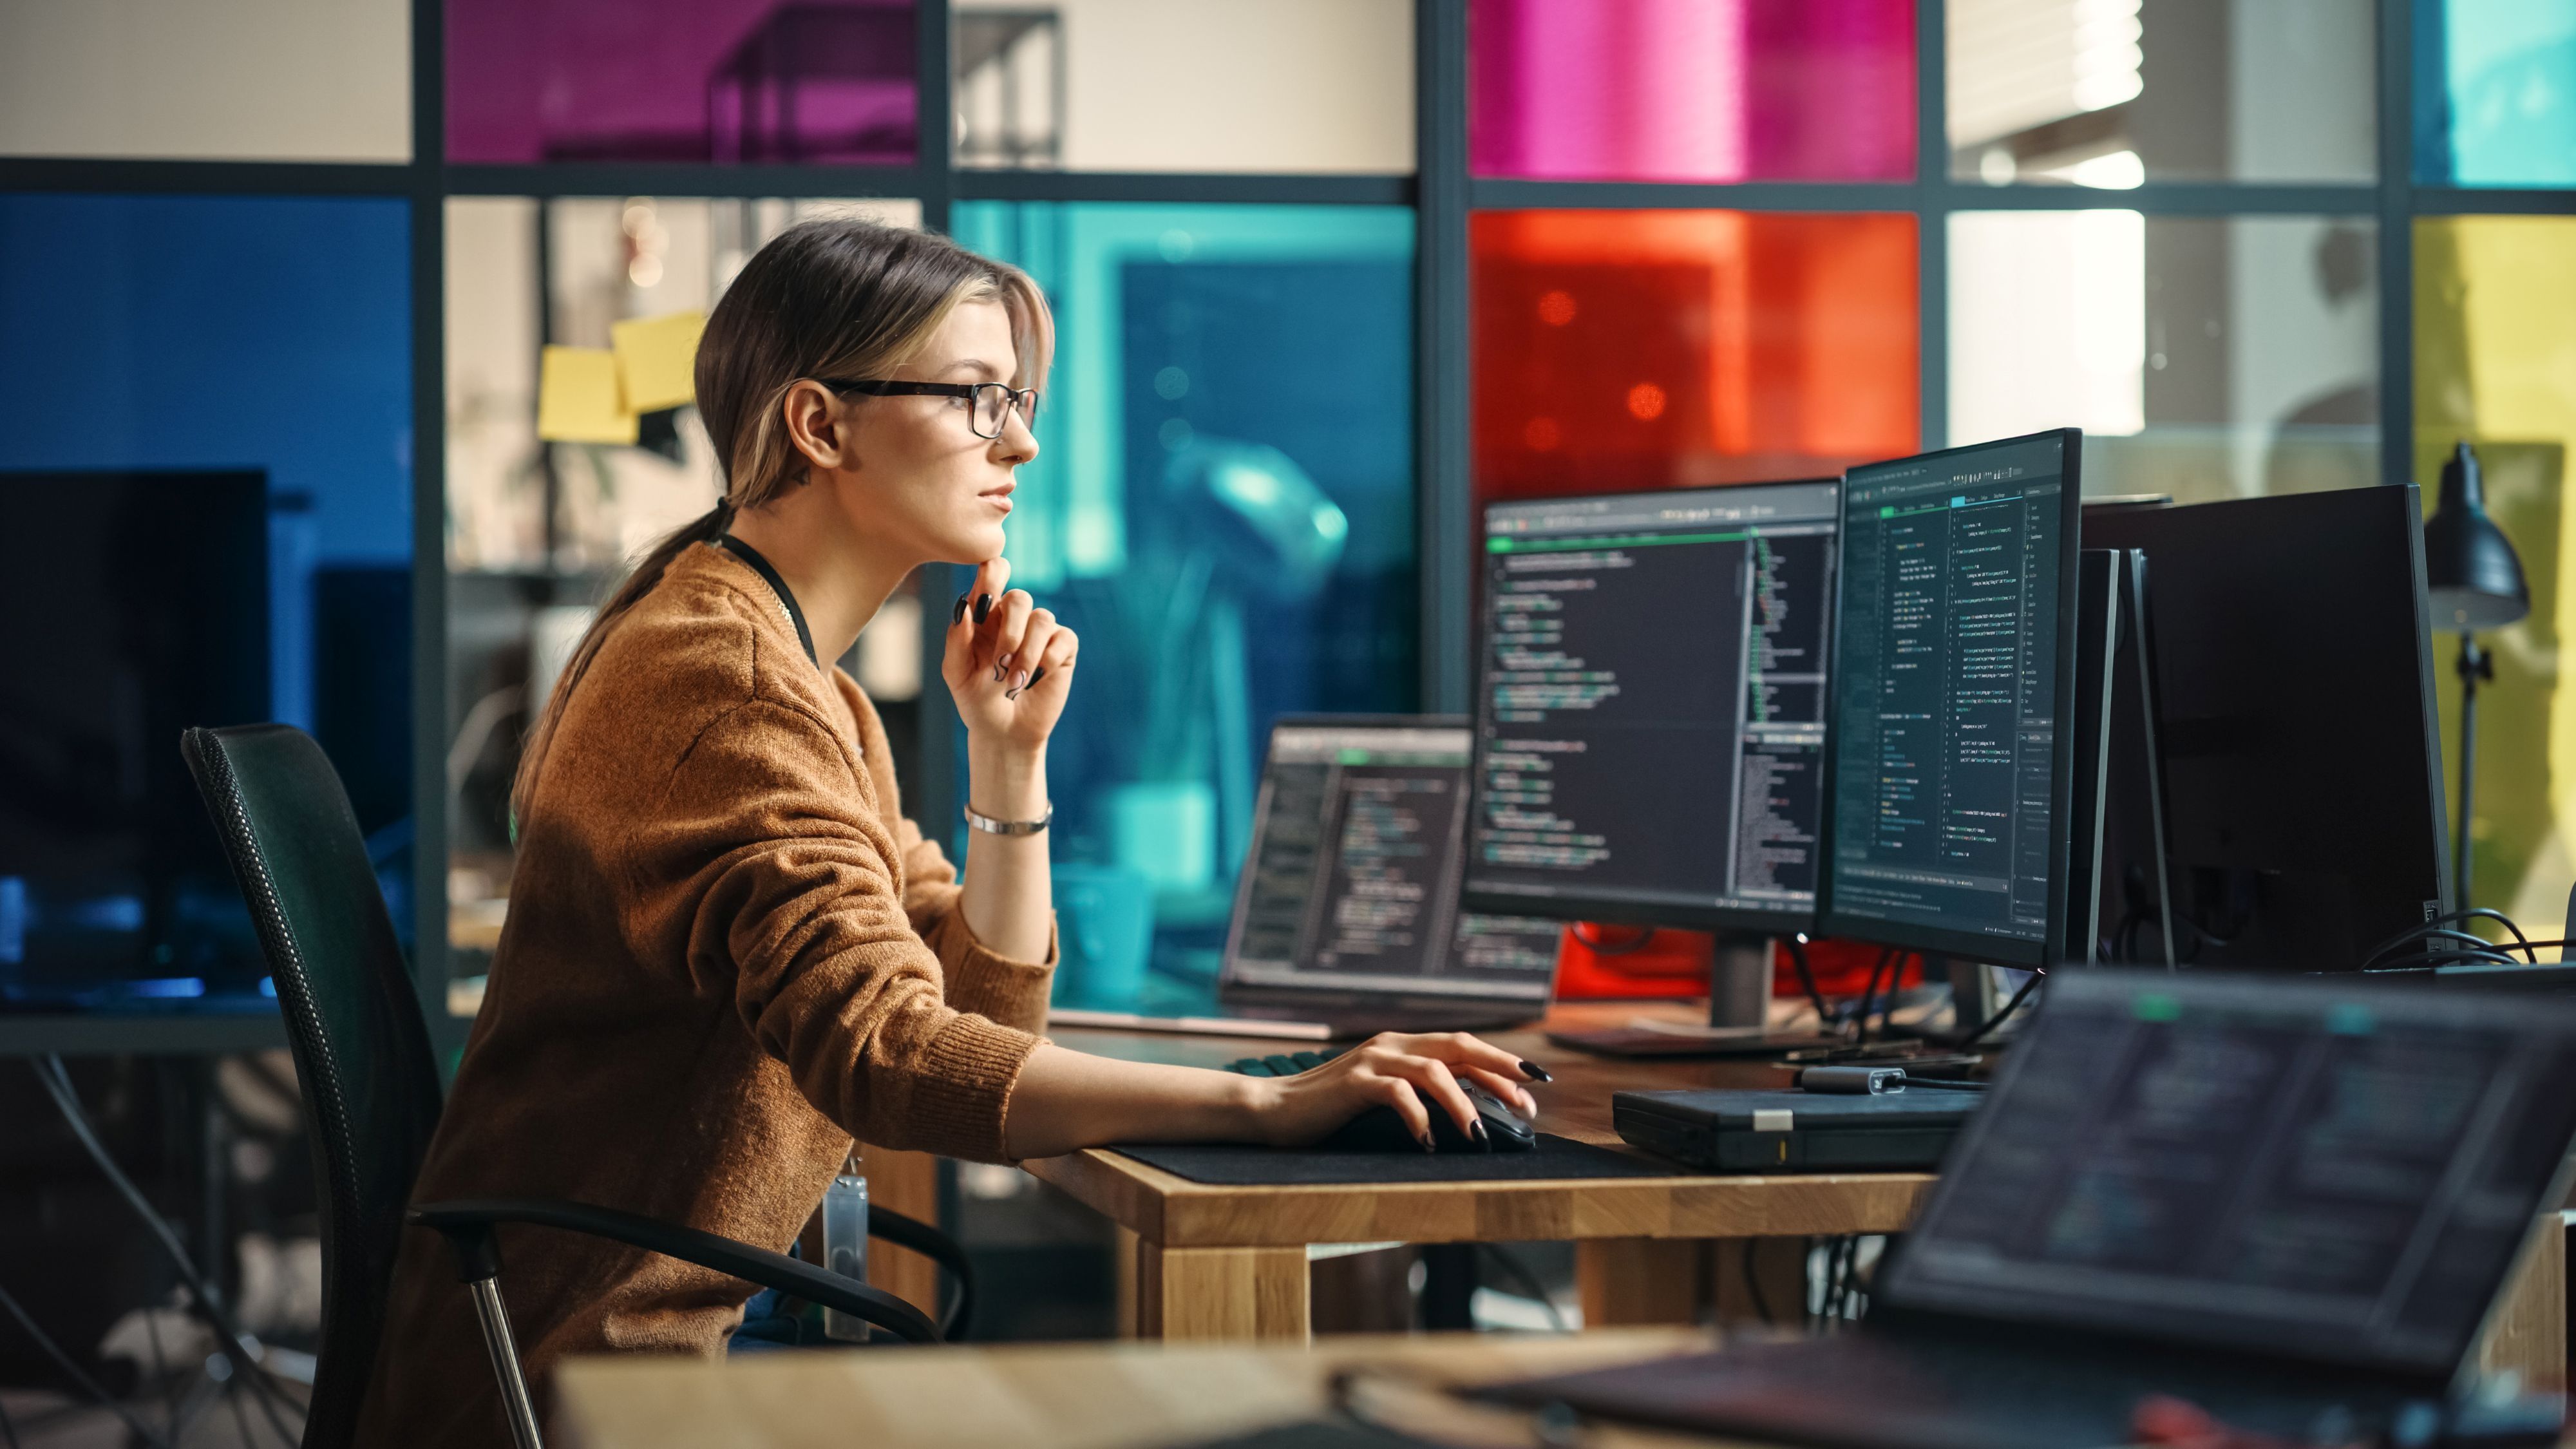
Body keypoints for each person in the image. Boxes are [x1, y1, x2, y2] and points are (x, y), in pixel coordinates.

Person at [359, 218, 1540, 1446]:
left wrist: (1006, 755)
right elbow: (890, 1053)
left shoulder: (796, 675)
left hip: (631, 1355)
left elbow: (978, 1019)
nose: (1021, 440)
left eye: (1015, 399)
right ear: (819, 425)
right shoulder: (724, 678)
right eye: (978, 398)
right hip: (579, 1384)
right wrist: (1271, 1105)